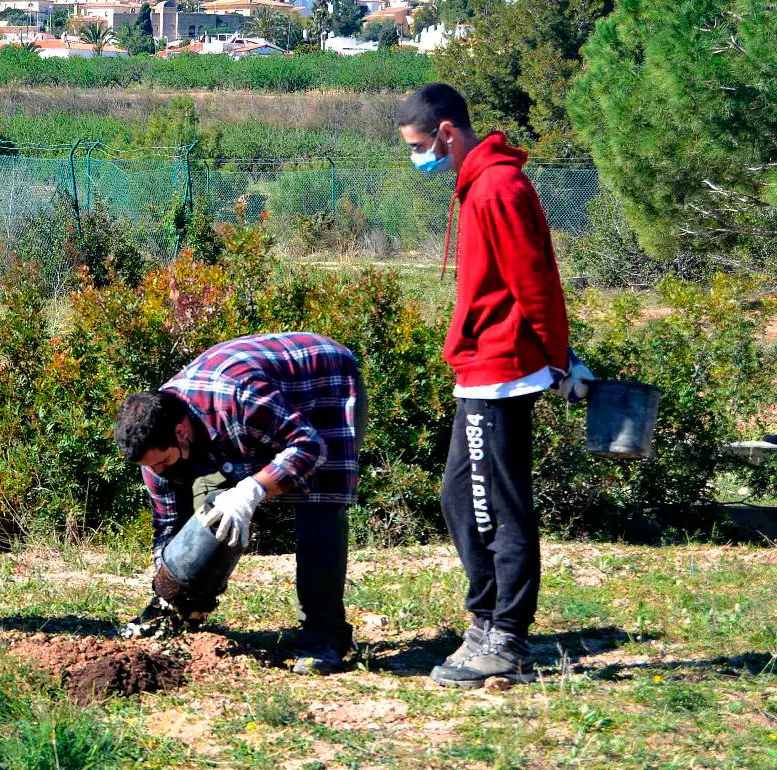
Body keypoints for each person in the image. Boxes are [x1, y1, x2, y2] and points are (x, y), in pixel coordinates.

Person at [395, 83, 594, 687]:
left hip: (501, 370)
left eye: (420, 145)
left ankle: (505, 638)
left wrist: (560, 359)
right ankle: (483, 620)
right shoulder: (477, 183)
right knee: (460, 498)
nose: (418, 157)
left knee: (495, 507)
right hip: (479, 367)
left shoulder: (499, 186)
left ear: (448, 132)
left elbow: (535, 281)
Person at [114, 333, 365, 675]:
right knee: (215, 514)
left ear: (181, 433)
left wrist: (251, 491)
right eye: (151, 467)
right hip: (251, 414)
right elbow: (168, 528)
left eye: (163, 462)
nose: (158, 472)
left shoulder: (238, 398)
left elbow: (309, 447)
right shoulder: (156, 448)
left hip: (322, 385)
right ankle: (175, 616)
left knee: (318, 506)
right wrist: (166, 589)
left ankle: (325, 635)